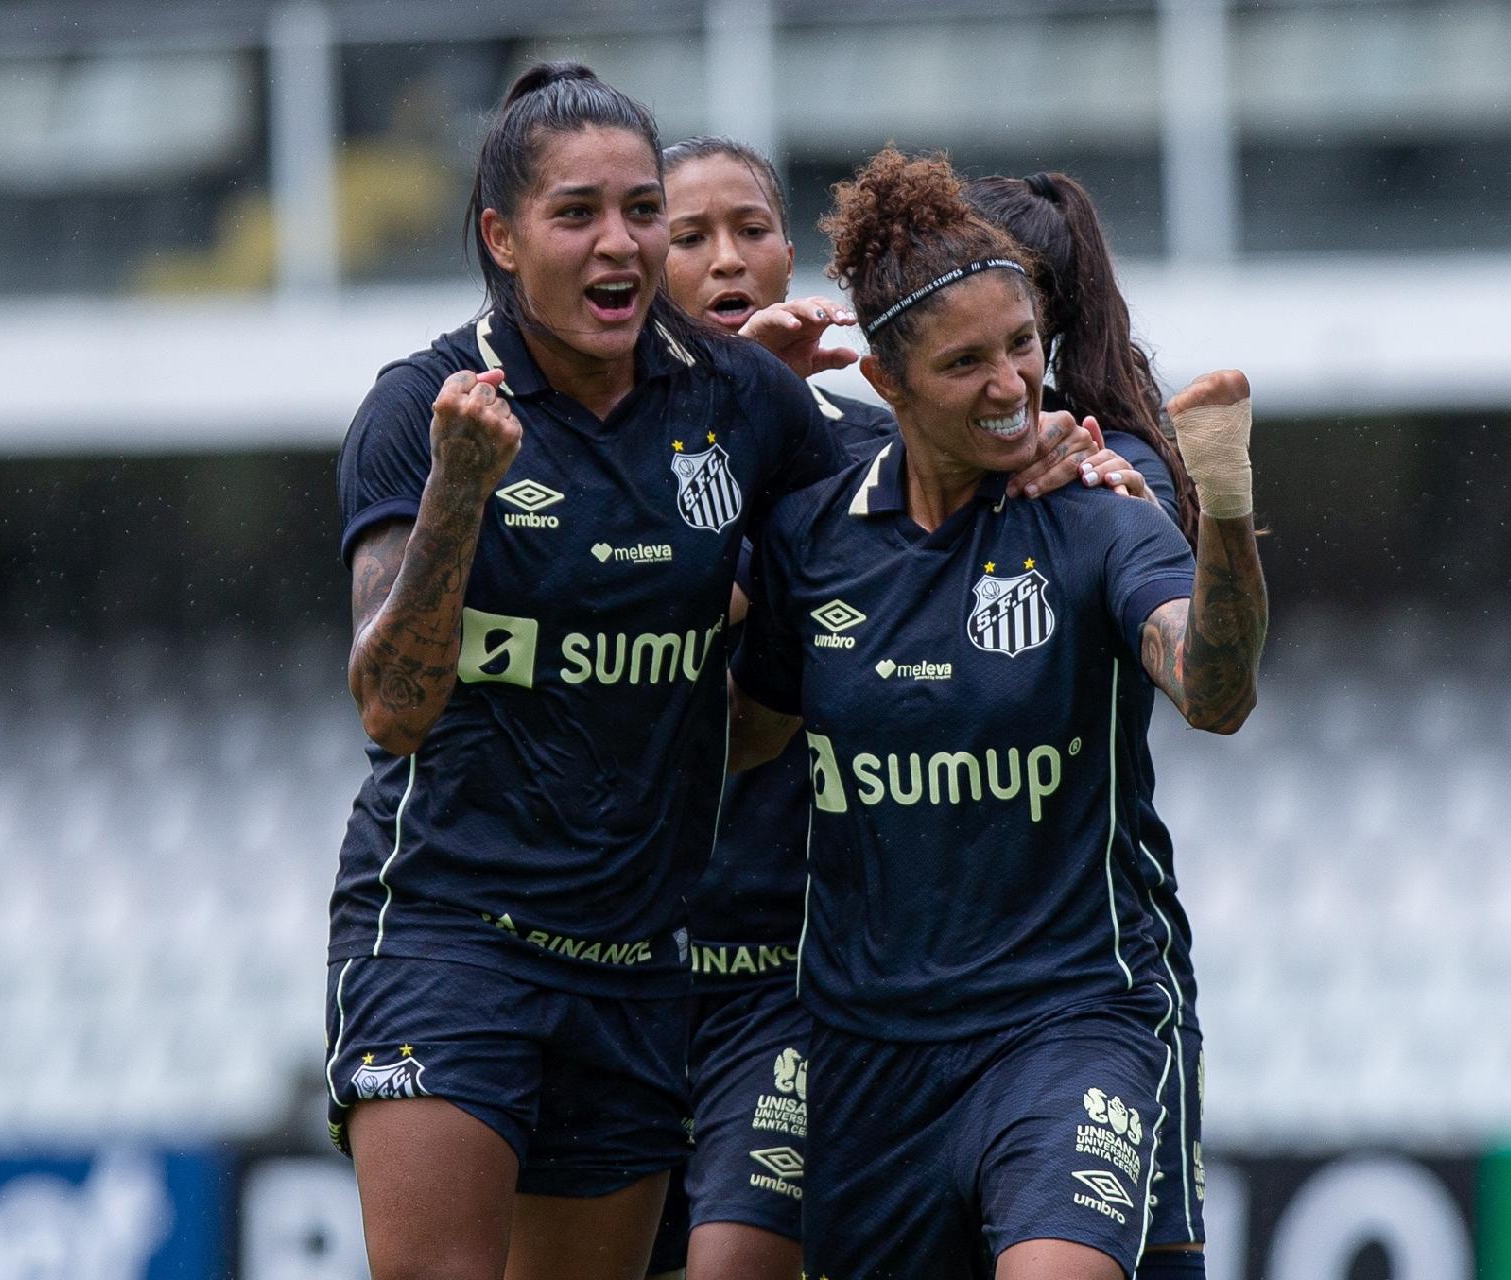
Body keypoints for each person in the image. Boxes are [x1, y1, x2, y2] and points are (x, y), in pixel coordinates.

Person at [325, 62, 852, 1280]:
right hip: (450, 928)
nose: (619, 243)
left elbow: (878, 557)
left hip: (633, 955)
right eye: (577, 215)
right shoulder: (421, 408)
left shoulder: (745, 406)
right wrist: (462, 488)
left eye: (639, 210)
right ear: (503, 238)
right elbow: (393, 705)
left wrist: (1048, 462)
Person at [728, 147, 1267, 1280]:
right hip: (868, 1056)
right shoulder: (814, 541)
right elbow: (741, 738)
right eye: (965, 361)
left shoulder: (1098, 508)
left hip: (1067, 1025)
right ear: (886, 383)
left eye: (1022, 345)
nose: (1012, 383)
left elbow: (1215, 692)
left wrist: (1223, 510)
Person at [647, 136, 1128, 1280]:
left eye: (753, 229)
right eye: (689, 235)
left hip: (790, 986)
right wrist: (717, 414)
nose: (728, 260)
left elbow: (1058, 495)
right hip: (602, 951)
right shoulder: (577, 453)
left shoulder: (885, 457)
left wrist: (1077, 452)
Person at [965, 171, 1211, 1277]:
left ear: (1047, 323)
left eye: (1007, 323)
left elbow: (1210, 677)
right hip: (909, 1002)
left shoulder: (1113, 477)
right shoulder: (866, 492)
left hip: (1089, 987)